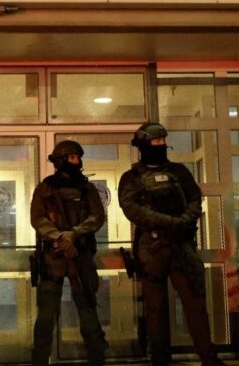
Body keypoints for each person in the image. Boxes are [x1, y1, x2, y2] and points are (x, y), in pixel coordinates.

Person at [118, 123, 225, 366]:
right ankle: (160, 359)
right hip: (152, 249)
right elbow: (132, 209)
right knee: (155, 310)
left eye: (163, 142)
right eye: (155, 142)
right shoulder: (131, 177)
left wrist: (185, 220)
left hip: (182, 246)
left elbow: (195, 198)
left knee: (195, 304)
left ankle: (208, 358)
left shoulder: (180, 172)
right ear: (144, 145)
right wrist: (170, 222)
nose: (161, 146)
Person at [30, 140, 108, 366]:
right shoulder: (45, 188)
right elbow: (38, 219)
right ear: (62, 161)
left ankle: (97, 358)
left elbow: (96, 217)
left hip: (80, 256)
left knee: (87, 311)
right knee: (46, 314)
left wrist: (73, 235)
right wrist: (61, 238)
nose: (77, 161)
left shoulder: (87, 189)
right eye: (72, 158)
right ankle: (40, 360)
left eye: (78, 157)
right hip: (53, 258)